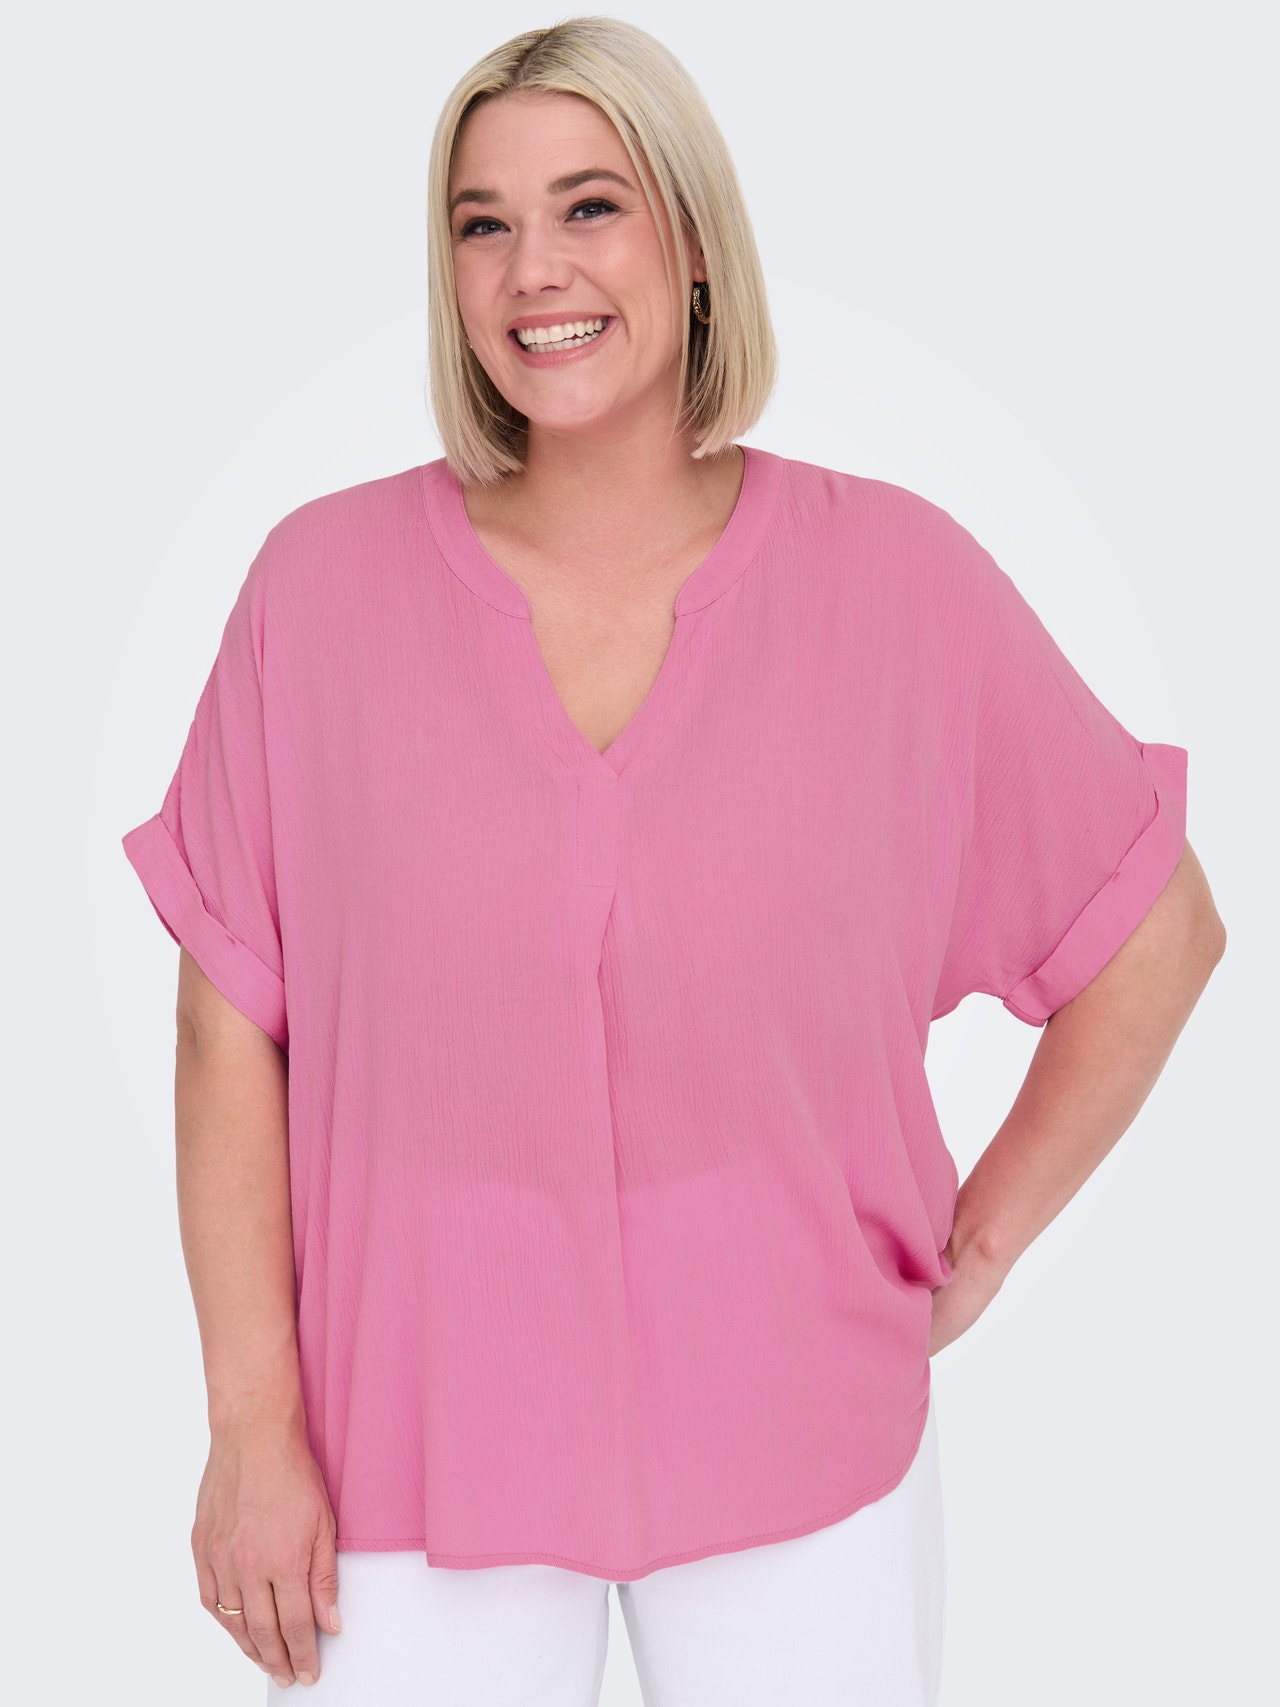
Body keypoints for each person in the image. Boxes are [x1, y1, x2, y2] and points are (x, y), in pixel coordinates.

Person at [120, 16, 1226, 1706]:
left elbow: (1157, 926)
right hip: (406, 1450)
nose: (533, 270)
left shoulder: (897, 588)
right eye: (482, 224)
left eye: (591, 206)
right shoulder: (318, 594)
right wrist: (251, 1424)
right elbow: (224, 1033)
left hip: (803, 1438)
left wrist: (983, 1240)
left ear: (694, 242)